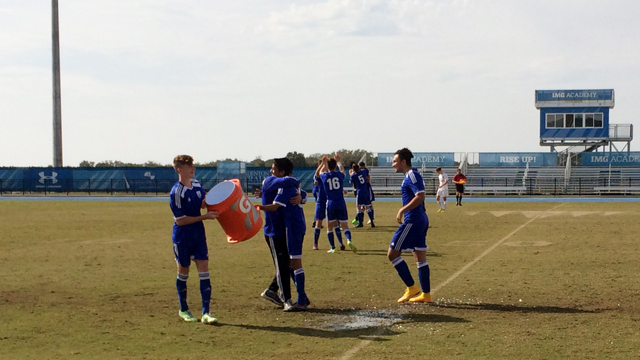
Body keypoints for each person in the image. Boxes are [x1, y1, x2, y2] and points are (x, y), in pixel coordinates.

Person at [169, 155, 219, 324]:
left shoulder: (196, 184)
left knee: (204, 270)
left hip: (198, 234)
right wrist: (204, 217)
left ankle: (206, 312)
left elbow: (203, 202)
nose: (193, 169)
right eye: (189, 166)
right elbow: (180, 220)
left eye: (193, 165)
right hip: (183, 236)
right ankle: (183, 309)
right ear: (179, 170)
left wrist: (210, 201)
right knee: (183, 272)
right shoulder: (176, 192)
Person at [254, 158, 302, 311]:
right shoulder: (269, 181)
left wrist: (301, 196)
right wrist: (258, 207)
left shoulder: (283, 184)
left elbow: (298, 190)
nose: (270, 171)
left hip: (284, 230)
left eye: (273, 168)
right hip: (273, 231)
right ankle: (286, 300)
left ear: (281, 171)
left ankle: (271, 290)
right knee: (282, 265)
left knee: (286, 264)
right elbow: (291, 182)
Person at [388, 148, 432, 303]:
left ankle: (412, 287)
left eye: (395, 161)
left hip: (413, 220)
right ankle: (426, 295)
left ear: (403, 161)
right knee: (420, 256)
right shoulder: (410, 175)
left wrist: (402, 210)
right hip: (420, 219)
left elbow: (420, 196)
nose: (393, 165)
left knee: (392, 254)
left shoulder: (412, 175)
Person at [317, 154, 357, 254]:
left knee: (330, 227)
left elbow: (318, 173)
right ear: (335, 166)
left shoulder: (325, 176)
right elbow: (343, 171)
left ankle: (333, 247)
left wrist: (323, 163)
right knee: (345, 226)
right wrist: (339, 162)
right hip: (341, 202)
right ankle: (348, 240)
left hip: (330, 203)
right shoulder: (339, 175)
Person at [349, 163, 375, 228]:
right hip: (365, 191)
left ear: (353, 169)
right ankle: (371, 221)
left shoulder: (354, 175)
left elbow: (351, 181)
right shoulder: (363, 171)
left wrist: (351, 174)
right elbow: (367, 171)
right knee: (368, 207)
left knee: (358, 207)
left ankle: (360, 223)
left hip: (359, 191)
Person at [312, 160, 327, 250]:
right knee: (318, 223)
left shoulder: (328, 175)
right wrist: (322, 164)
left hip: (329, 201)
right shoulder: (319, 175)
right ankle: (315, 244)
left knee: (334, 223)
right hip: (321, 201)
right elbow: (317, 176)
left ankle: (338, 244)